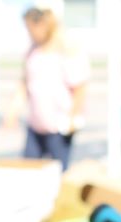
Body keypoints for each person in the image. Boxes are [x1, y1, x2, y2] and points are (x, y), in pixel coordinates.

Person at [16, 1, 89, 171]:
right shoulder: (32, 51)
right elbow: (25, 82)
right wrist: (14, 110)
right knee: (28, 169)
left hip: (58, 126)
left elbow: (80, 87)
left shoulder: (65, 51)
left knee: (57, 171)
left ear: (42, 25)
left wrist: (72, 117)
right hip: (36, 124)